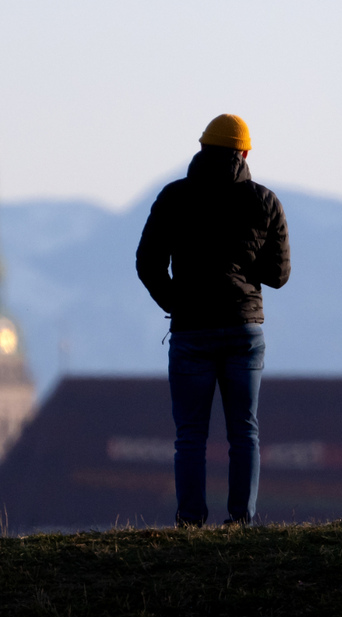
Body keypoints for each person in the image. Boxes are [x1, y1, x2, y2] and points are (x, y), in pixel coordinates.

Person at [136, 114, 290, 527]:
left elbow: (147, 263)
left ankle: (190, 519)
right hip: (244, 330)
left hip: (191, 330)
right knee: (245, 431)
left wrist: (176, 302)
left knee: (190, 435)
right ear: (243, 153)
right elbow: (278, 276)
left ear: (202, 148)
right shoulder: (265, 201)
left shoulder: (174, 197)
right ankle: (242, 519)